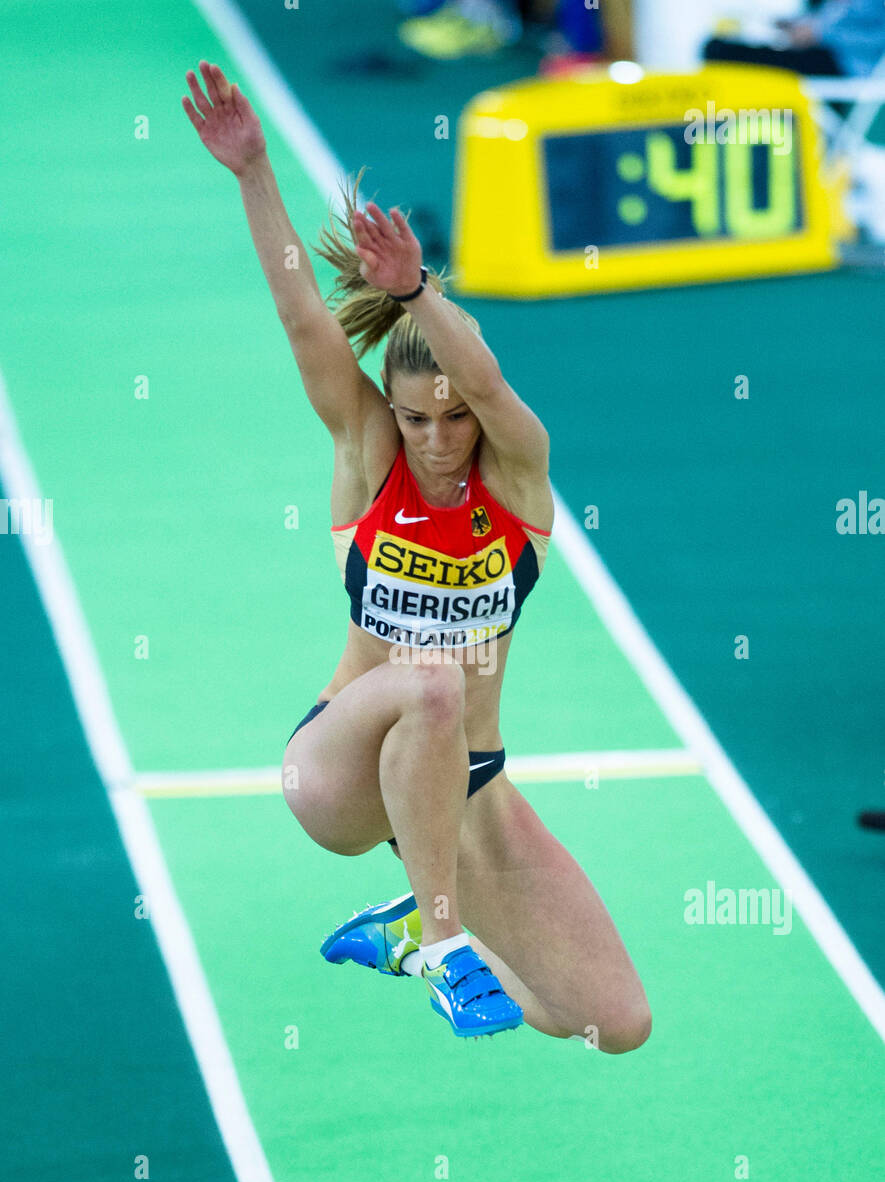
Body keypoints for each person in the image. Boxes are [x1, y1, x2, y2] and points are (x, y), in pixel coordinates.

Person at [182, 59, 652, 1048]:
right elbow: (303, 316)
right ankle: (443, 945)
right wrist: (252, 170)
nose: (435, 440)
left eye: (452, 418)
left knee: (612, 1022)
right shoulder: (370, 459)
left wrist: (422, 292)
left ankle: (406, 930)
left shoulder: (518, 477)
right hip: (340, 769)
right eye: (414, 418)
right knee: (434, 679)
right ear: (390, 415)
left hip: (470, 780)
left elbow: (485, 378)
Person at [704, 0, 885, 79]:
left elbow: (878, 40)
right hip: (825, 56)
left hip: (849, 69)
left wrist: (819, 33)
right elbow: (833, 20)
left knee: (748, 57)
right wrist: (795, 24)